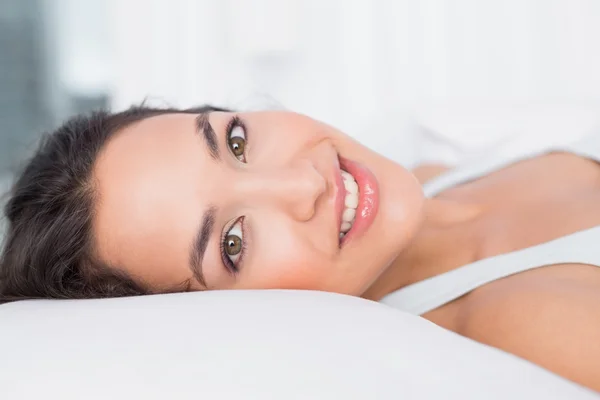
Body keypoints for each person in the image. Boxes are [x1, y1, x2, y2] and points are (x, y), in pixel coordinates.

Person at [1, 105, 599, 391]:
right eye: (232, 244)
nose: (304, 183)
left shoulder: (437, 162)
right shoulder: (527, 319)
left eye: (235, 141)